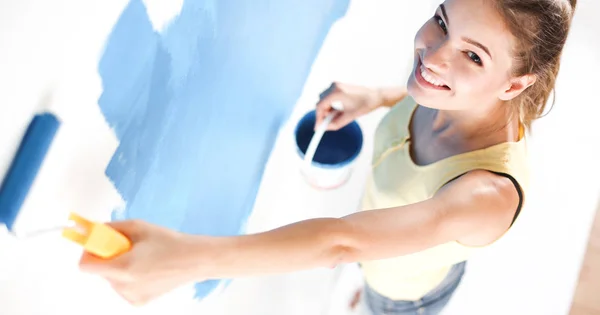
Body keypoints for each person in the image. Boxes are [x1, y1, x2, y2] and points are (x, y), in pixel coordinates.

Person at [79, 0, 577, 313]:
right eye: (442, 20)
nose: (434, 55)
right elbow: (426, 84)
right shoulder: (455, 90)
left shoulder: (485, 196)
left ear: (514, 84)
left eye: (473, 56)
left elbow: (341, 242)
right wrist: (378, 95)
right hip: (390, 244)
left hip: (407, 293)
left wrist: (187, 259)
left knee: (384, 301)